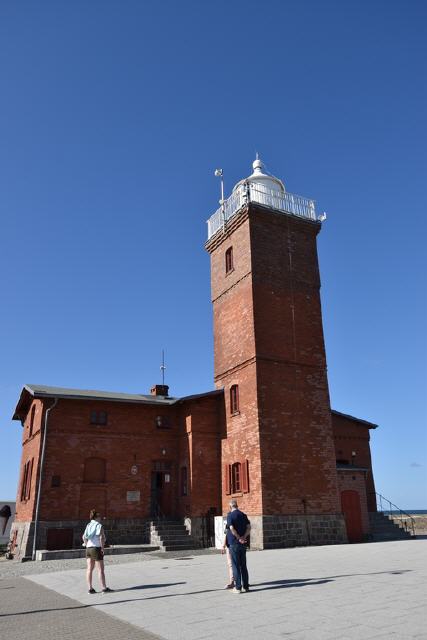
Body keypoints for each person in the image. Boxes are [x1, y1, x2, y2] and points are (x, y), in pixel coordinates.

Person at [82, 509, 112, 594]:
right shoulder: (99, 525)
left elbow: (83, 537)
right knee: (100, 570)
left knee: (89, 569)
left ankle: (90, 589)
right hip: (96, 548)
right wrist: (102, 548)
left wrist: (86, 544)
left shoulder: (88, 525)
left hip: (88, 548)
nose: (101, 518)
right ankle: (104, 588)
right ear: (96, 517)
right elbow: (101, 537)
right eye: (99, 516)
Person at [226, 499, 251, 593]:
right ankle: (246, 586)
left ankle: (238, 587)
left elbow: (231, 528)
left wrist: (238, 537)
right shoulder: (243, 515)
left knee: (236, 565)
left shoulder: (230, 516)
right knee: (243, 565)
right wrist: (244, 537)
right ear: (237, 505)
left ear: (230, 507)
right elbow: (249, 527)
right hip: (243, 543)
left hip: (234, 543)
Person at [221, 518, 235, 589]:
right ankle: (243, 582)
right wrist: (223, 546)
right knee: (239, 564)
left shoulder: (229, 522)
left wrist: (223, 546)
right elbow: (226, 534)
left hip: (231, 546)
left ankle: (232, 582)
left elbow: (225, 534)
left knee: (231, 565)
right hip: (237, 545)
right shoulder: (241, 520)